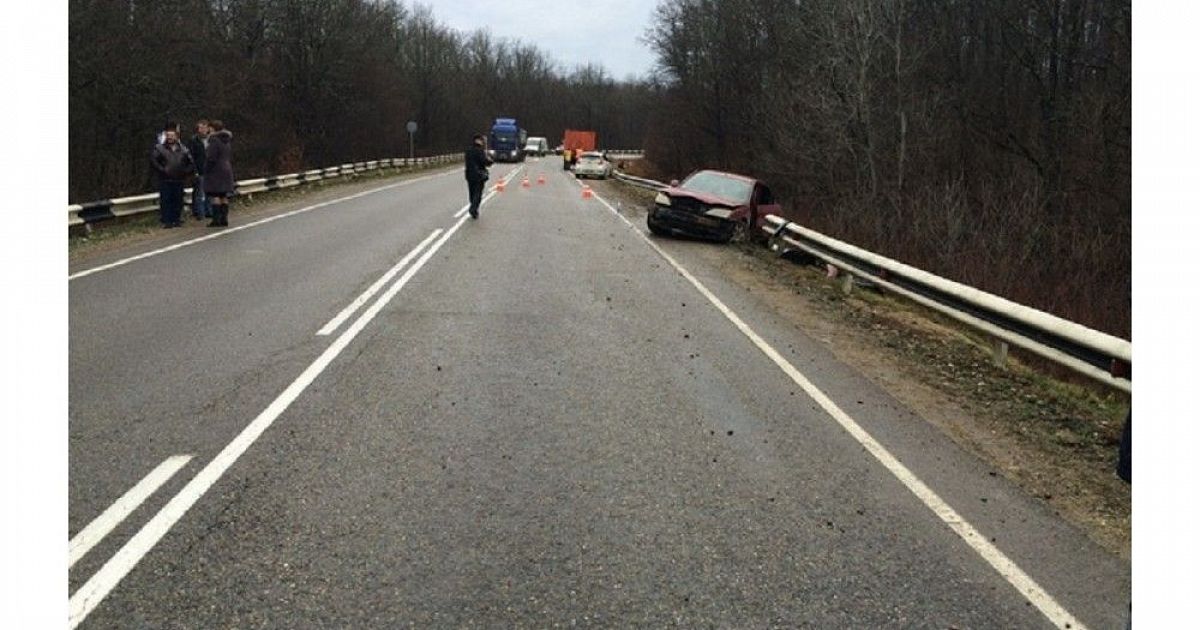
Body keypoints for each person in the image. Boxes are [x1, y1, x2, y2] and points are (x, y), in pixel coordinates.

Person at [150, 128, 195, 228]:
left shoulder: (183, 149)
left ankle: (177, 219)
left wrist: (185, 172)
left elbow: (191, 163)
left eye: (172, 135)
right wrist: (163, 170)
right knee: (166, 200)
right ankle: (167, 220)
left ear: (177, 137)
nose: (170, 137)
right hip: (165, 179)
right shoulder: (159, 148)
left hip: (179, 179)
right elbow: (154, 161)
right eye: (168, 135)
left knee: (178, 200)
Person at [203, 120, 234, 227]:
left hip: (216, 170)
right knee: (223, 195)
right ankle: (224, 218)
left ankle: (216, 219)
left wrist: (206, 169)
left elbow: (211, 157)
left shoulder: (214, 140)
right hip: (226, 168)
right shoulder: (227, 140)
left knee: (215, 194)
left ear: (212, 129)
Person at [464, 133, 493, 220]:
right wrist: (490, 161)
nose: (482, 142)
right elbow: (484, 161)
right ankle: (473, 209)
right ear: (479, 141)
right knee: (478, 193)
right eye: (481, 140)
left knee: (472, 192)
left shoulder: (468, 150)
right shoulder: (479, 151)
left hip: (469, 175)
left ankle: (473, 208)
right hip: (479, 175)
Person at [186, 120, 211, 220]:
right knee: (199, 193)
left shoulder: (211, 140)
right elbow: (191, 157)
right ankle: (199, 213)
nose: (203, 130)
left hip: (210, 170)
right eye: (201, 128)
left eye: (205, 128)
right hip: (199, 170)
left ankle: (209, 211)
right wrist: (194, 170)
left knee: (209, 192)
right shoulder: (193, 140)